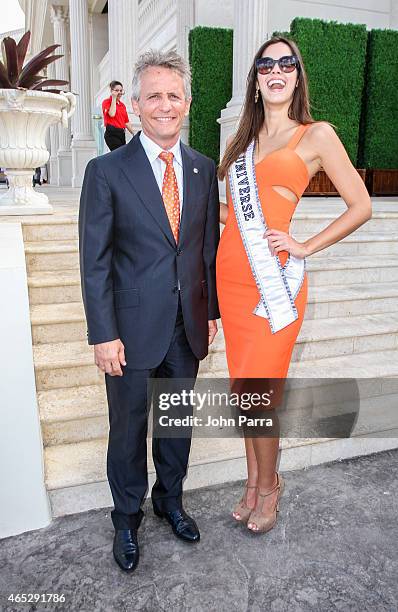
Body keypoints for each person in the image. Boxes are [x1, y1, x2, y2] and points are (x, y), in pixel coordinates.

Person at [216, 36, 372, 534]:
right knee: (246, 394)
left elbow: (361, 205)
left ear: (297, 75)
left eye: (287, 63)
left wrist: (305, 245)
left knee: (261, 395)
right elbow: (235, 218)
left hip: (273, 286)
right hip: (232, 279)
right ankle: (250, 482)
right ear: (256, 79)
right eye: (267, 65)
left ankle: (269, 486)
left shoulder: (317, 135)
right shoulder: (240, 143)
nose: (277, 71)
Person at [79, 50, 220, 573]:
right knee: (129, 426)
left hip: (187, 327)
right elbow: (94, 262)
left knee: (177, 421)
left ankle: (170, 500)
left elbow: (204, 250)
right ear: (135, 105)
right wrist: (102, 333)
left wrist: (211, 312)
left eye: (174, 96)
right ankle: (126, 517)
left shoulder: (204, 169)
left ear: (186, 104)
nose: (165, 105)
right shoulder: (106, 171)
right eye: (153, 96)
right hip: (130, 330)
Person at [102, 80, 134, 150]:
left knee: (122, 155)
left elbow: (126, 122)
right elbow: (112, 114)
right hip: (112, 133)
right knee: (119, 155)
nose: (119, 93)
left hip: (121, 133)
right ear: (111, 91)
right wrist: (113, 98)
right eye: (117, 90)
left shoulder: (122, 105)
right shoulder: (106, 102)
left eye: (121, 91)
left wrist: (133, 133)